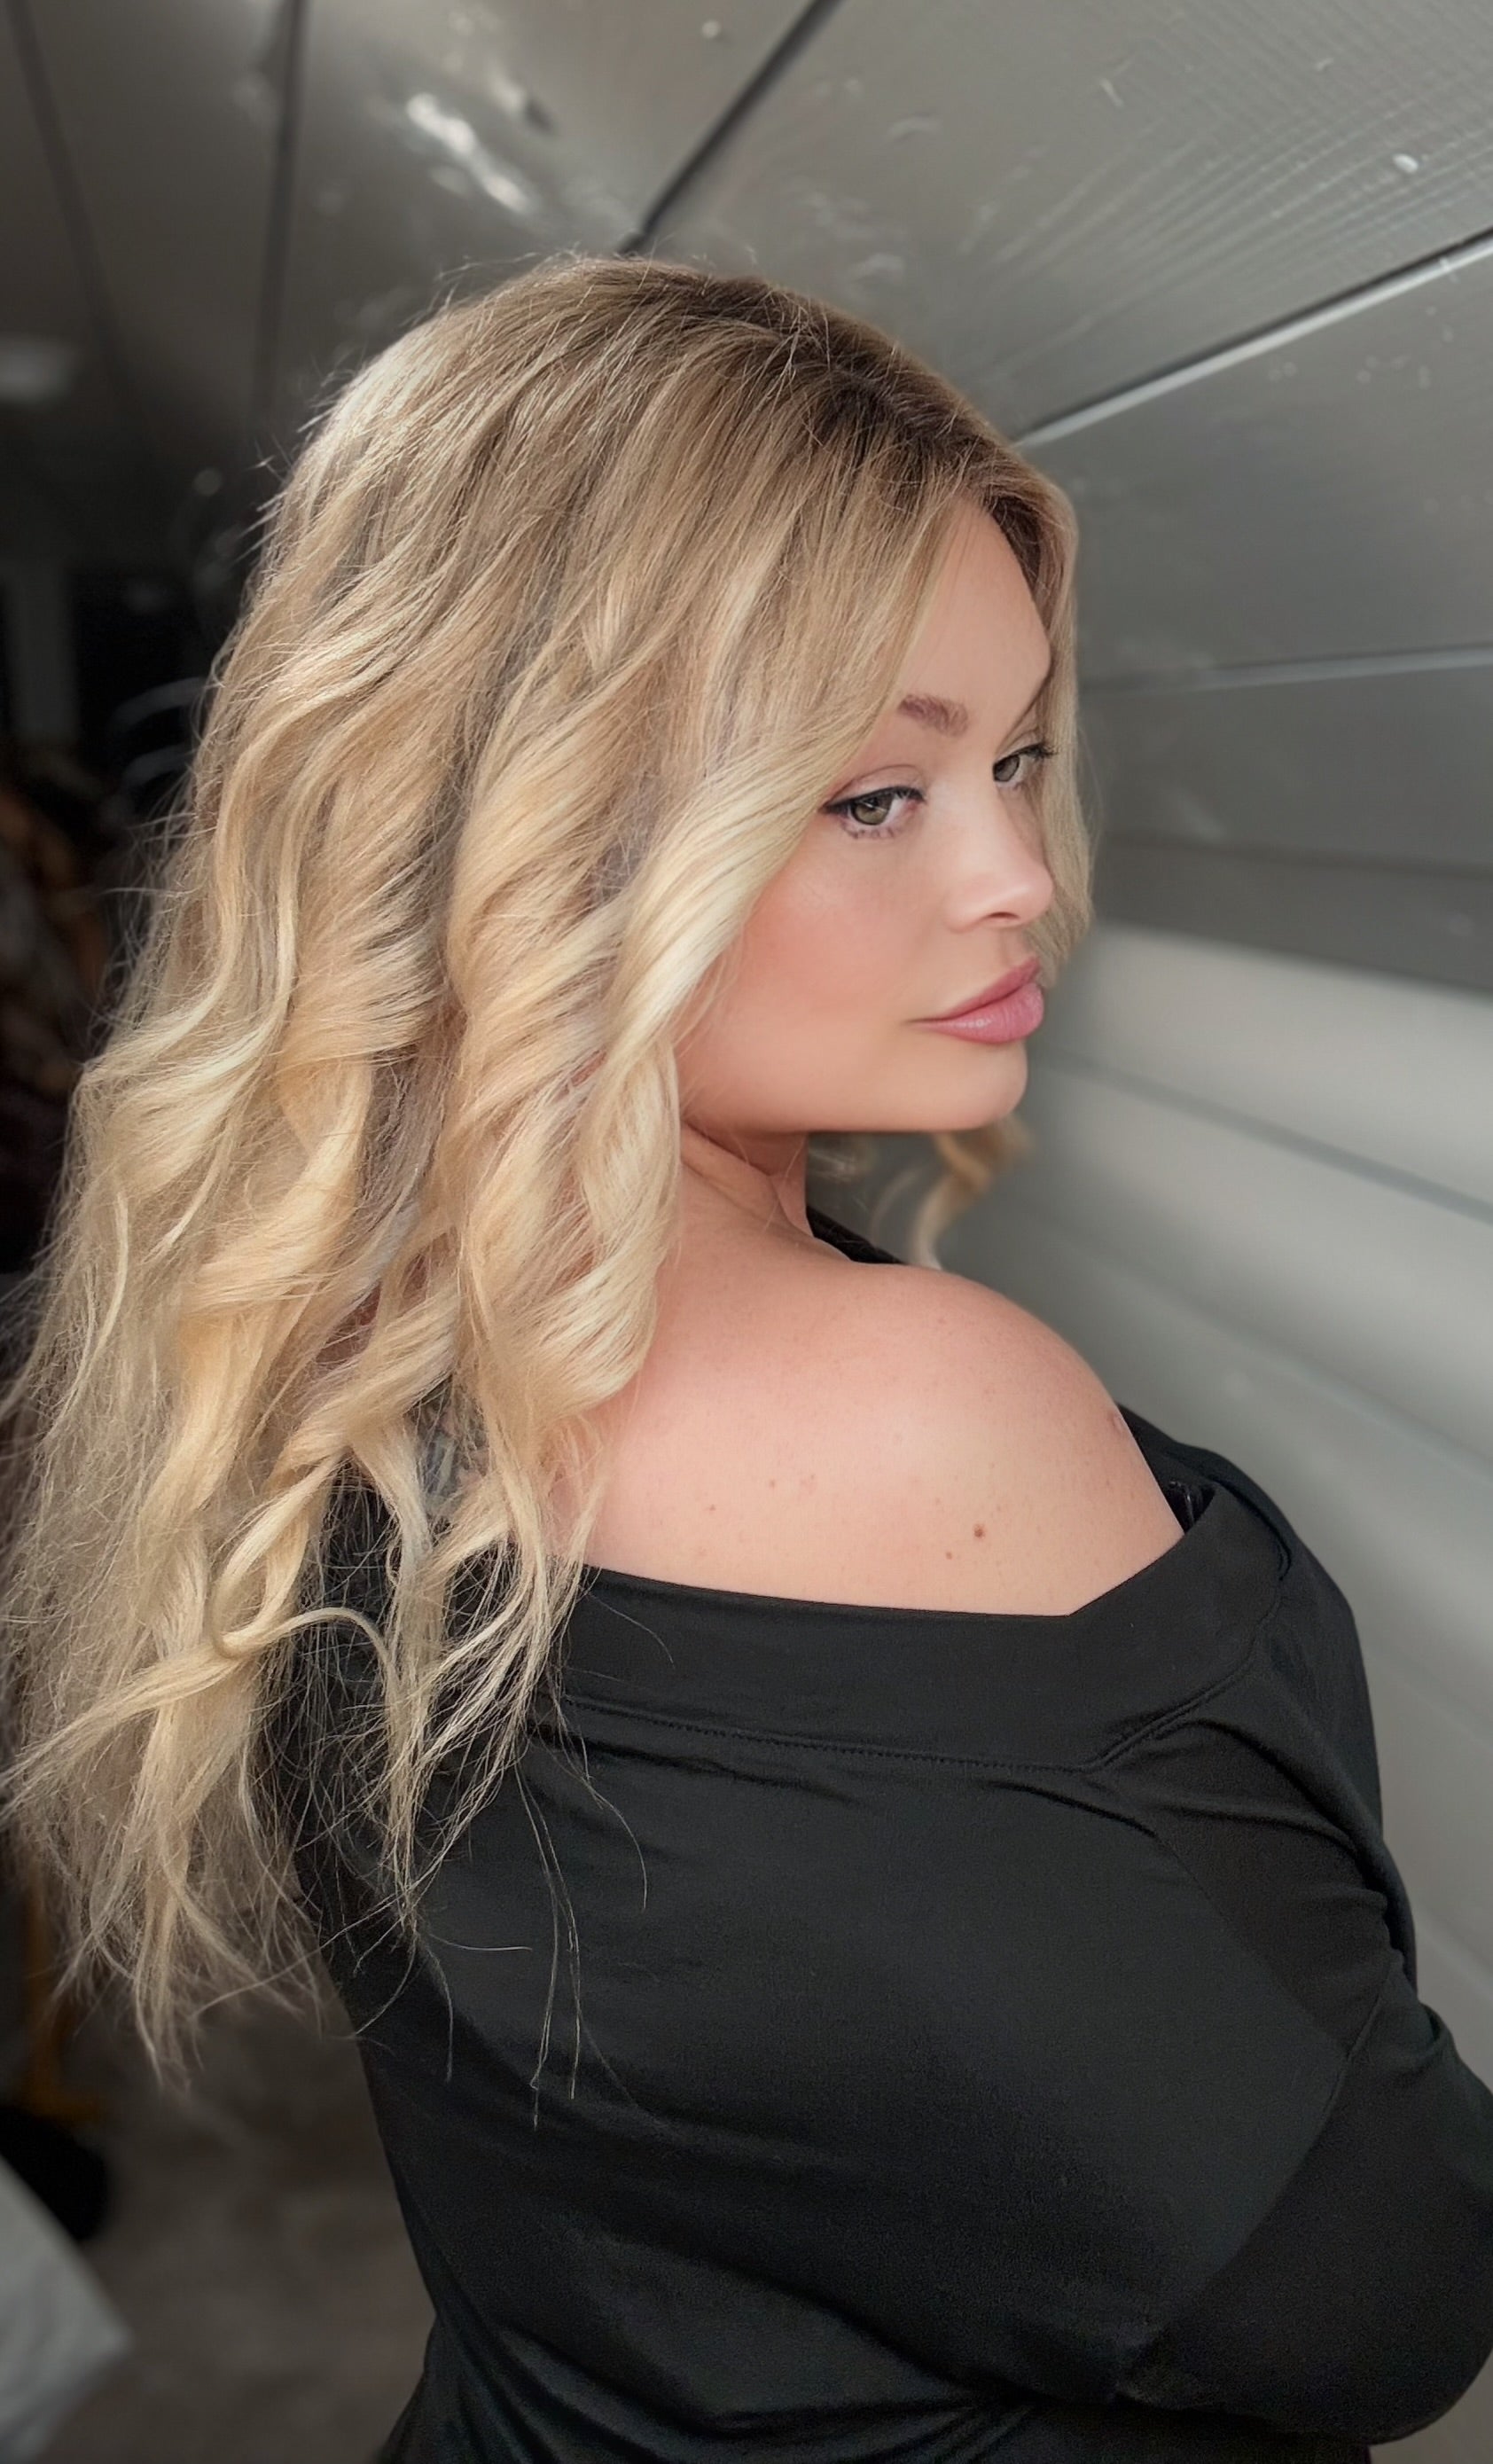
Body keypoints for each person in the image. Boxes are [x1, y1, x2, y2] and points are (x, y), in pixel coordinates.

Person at [2, 251, 1491, 2463]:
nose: (1017, 873)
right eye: (874, 794)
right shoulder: (917, 1408)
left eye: (1016, 755)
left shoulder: (338, 1360)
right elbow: (1375, 2289)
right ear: (542, 825)